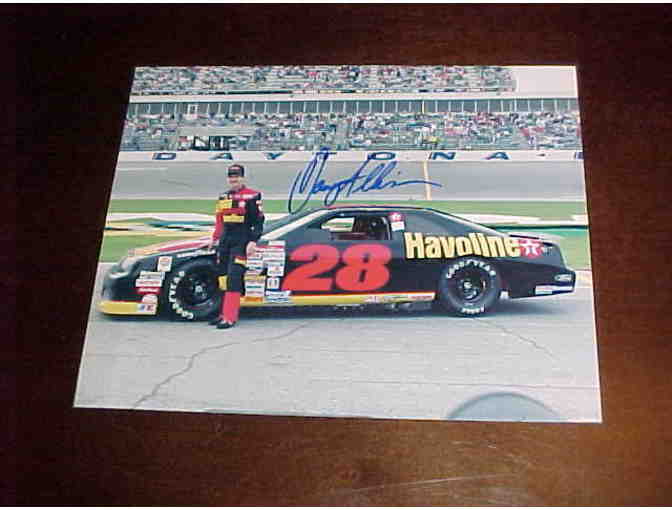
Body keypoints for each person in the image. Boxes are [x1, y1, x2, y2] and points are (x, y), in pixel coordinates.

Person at [208, 164, 264, 329]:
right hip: (225, 242)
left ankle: (230, 317)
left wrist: (253, 241)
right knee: (223, 278)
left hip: (241, 242)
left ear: (243, 178)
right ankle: (222, 314)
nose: (234, 180)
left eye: (237, 176)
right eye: (231, 177)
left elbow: (259, 221)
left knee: (234, 278)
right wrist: (214, 238)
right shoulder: (223, 197)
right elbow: (219, 220)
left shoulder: (253, 195)